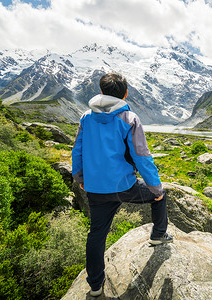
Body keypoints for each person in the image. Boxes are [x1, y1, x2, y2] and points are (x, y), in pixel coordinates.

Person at [71, 72, 173, 297]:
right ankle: (158, 235)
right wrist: (156, 189)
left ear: (101, 92)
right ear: (125, 93)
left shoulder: (86, 117)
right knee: (160, 197)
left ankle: (95, 285)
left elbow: (77, 149)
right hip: (125, 186)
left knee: (97, 234)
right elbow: (142, 156)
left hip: (95, 188)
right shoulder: (129, 118)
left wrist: (80, 178)